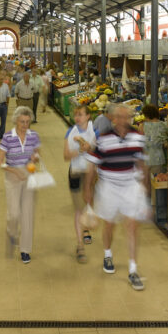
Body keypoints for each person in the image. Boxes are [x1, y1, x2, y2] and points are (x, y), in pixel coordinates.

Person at [86, 104, 150, 291]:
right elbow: (92, 165)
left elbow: (142, 163)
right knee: (109, 224)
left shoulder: (138, 137)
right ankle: (107, 254)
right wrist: (87, 189)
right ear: (113, 119)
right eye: (120, 117)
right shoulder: (103, 138)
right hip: (109, 186)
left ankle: (133, 270)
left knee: (131, 226)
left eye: (127, 117)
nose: (124, 121)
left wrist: (144, 190)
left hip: (130, 185)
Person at [0, 106, 41, 264]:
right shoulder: (8, 137)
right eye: (22, 121)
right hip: (12, 176)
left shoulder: (33, 135)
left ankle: (25, 250)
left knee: (27, 214)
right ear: (16, 120)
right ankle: (12, 232)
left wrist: (34, 159)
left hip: (28, 176)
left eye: (28, 122)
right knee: (14, 214)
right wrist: (14, 171)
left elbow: (37, 153)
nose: (25, 125)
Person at [63, 104, 97, 263]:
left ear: (88, 116)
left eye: (81, 114)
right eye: (76, 114)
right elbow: (66, 155)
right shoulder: (70, 132)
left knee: (88, 203)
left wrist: (90, 148)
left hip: (90, 174)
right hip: (76, 173)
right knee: (78, 209)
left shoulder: (94, 132)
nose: (77, 117)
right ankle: (80, 245)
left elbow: (98, 152)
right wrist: (80, 151)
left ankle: (86, 229)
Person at [140, 104, 168, 186]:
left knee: (146, 184)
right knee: (158, 184)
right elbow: (166, 144)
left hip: (145, 158)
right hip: (159, 159)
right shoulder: (164, 125)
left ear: (147, 115)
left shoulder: (142, 126)